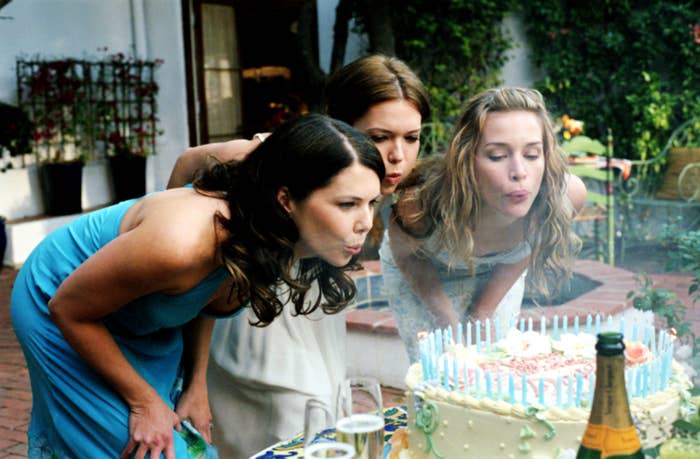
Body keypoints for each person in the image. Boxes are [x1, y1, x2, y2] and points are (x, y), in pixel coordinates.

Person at [10, 113, 384, 459]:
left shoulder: (271, 201)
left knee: (173, 436)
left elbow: (208, 297)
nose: (365, 222)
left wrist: (196, 384)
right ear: (286, 199)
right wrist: (144, 402)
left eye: (372, 203)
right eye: (348, 204)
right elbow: (68, 309)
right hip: (58, 300)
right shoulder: (183, 244)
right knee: (146, 445)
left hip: (140, 308)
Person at [167, 54, 430, 457]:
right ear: (341, 126)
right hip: (255, 324)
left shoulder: (384, 181)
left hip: (316, 318)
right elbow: (188, 164)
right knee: (285, 428)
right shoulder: (280, 159)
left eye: (411, 138)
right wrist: (195, 377)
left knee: (322, 424)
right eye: (379, 137)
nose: (398, 155)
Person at [380, 87, 587, 362]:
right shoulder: (421, 204)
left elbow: (523, 251)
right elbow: (408, 258)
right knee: (438, 369)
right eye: (498, 156)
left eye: (532, 154)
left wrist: (483, 311)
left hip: (499, 275)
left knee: (494, 363)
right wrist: (446, 319)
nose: (519, 172)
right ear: (467, 160)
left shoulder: (563, 198)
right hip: (422, 268)